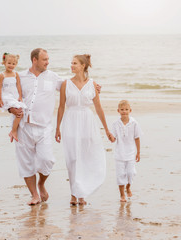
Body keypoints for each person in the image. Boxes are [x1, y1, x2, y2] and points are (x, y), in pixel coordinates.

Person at [8, 48, 101, 206]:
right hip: (23, 126)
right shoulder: (20, 77)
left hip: (44, 127)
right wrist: (10, 108)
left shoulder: (53, 77)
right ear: (34, 60)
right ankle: (34, 195)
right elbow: (8, 94)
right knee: (26, 163)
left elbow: (73, 85)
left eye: (48, 59)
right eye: (44, 59)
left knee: (47, 160)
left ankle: (41, 184)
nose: (47, 62)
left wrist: (91, 85)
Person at [55, 54, 113, 205]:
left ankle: (82, 193)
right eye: (71, 63)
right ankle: (74, 194)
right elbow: (61, 107)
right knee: (72, 158)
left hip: (88, 122)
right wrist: (57, 128)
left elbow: (99, 108)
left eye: (75, 63)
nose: (72, 66)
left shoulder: (92, 84)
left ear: (83, 66)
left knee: (86, 156)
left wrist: (106, 129)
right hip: (70, 121)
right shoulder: (65, 84)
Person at [109, 100, 142, 202]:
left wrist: (138, 152)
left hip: (131, 153)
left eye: (126, 109)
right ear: (118, 111)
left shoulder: (134, 123)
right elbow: (113, 139)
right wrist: (110, 137)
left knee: (130, 173)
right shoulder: (115, 124)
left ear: (130, 110)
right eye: (122, 110)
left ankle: (128, 188)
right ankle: (122, 195)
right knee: (120, 175)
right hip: (119, 154)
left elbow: (137, 138)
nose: (124, 111)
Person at [0, 53, 27, 143]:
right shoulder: (2, 75)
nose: (11, 65)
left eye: (13, 64)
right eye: (9, 63)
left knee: (21, 112)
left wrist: (20, 96)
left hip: (15, 96)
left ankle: (14, 130)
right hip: (7, 96)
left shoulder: (15, 74)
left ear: (16, 65)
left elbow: (18, 86)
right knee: (19, 112)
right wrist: (0, 99)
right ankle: (14, 131)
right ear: (4, 63)